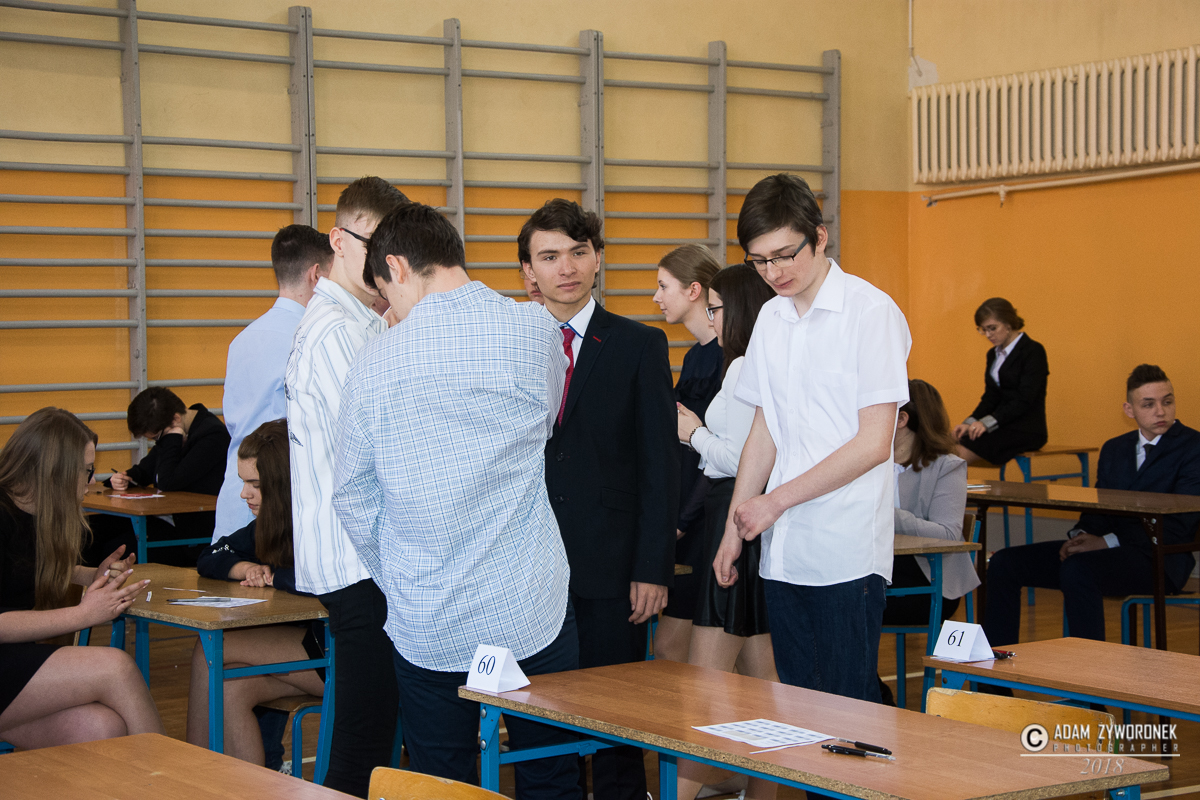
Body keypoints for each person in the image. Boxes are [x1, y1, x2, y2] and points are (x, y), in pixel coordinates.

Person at [333, 201, 580, 796]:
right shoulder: (535, 329)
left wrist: (400, 572)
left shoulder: (373, 362)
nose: (389, 311)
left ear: (396, 266)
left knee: (443, 782)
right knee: (551, 774)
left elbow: (353, 496)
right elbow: (548, 421)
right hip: (529, 599)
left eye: (386, 295)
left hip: (429, 614)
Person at [713, 173, 911, 704]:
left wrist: (774, 502)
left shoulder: (871, 312)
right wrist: (734, 528)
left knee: (847, 712)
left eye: (784, 256)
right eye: (759, 261)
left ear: (819, 237)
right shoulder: (771, 317)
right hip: (783, 549)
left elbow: (874, 442)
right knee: (798, 708)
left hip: (846, 548)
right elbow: (765, 430)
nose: (773, 272)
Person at [520, 198, 678, 800]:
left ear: (598, 259)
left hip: (612, 564)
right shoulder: (511, 342)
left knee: (616, 715)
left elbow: (659, 464)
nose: (566, 268)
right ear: (528, 271)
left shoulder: (639, 344)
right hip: (527, 561)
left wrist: (652, 567)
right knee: (539, 712)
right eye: (549, 256)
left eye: (578, 252)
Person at [284, 176, 407, 798]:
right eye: (371, 245)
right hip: (360, 560)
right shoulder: (337, 329)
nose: (385, 263)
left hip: (369, 558)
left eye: (393, 250)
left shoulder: (363, 322)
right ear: (337, 240)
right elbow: (373, 452)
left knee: (374, 736)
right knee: (363, 747)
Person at [985, 364, 1200, 645]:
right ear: (1129, 410)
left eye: (1167, 402)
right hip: (1107, 550)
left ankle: (1087, 668)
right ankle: (995, 666)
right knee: (1004, 563)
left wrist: (1105, 542)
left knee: (1079, 569)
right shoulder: (1115, 448)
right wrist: (1081, 535)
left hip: (1159, 559)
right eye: (1148, 404)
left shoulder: (1193, 447)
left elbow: (1180, 523)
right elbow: (1099, 509)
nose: (1160, 412)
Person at [0, 407, 162, 749]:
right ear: (55, 470)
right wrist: (84, 614)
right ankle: (173, 777)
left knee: (100, 727)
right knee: (116, 668)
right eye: (87, 470)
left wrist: (91, 575)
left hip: (12, 660)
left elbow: (20, 568)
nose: (90, 482)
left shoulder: (29, 511)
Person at [674, 263, 777, 800]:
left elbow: (742, 460)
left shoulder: (741, 368)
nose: (709, 317)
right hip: (747, 524)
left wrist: (693, 434)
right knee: (766, 687)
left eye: (714, 307)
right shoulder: (761, 363)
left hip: (730, 519)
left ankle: (679, 793)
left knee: (704, 684)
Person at [187, 419, 324, 765]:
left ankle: (191, 768)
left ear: (284, 483)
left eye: (255, 485)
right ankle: (246, 785)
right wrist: (244, 568)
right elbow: (211, 555)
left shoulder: (322, 523)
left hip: (344, 653)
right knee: (231, 689)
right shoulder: (268, 524)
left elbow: (321, 578)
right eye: (243, 482)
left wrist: (275, 577)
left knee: (209, 648)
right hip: (312, 652)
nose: (244, 494)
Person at [213, 224, 333, 543]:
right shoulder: (312, 339)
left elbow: (234, 422)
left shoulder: (243, 339)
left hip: (237, 495)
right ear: (317, 275)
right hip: (278, 504)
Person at [878, 379, 977, 706]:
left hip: (929, 580)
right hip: (881, 572)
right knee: (828, 597)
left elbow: (948, 535)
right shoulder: (871, 461)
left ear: (902, 419)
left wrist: (887, 514)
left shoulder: (948, 466)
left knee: (846, 601)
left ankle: (871, 697)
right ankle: (871, 694)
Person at [652, 243, 722, 664]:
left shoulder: (728, 356)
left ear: (694, 290)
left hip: (708, 518)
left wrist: (682, 519)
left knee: (676, 649)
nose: (656, 297)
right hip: (690, 515)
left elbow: (719, 454)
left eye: (664, 286)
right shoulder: (695, 355)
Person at [95, 386, 230, 565]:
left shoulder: (212, 436)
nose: (158, 443)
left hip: (194, 535)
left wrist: (172, 438)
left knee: (115, 550)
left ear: (176, 418)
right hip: (168, 522)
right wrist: (124, 478)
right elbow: (145, 470)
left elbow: (168, 481)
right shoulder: (178, 429)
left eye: (157, 438)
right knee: (96, 534)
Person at [953, 297, 1049, 466]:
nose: (988, 335)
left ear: (1008, 323)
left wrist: (987, 422)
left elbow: (1025, 399)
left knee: (958, 453)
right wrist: (970, 422)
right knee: (951, 440)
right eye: (983, 330)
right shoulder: (993, 355)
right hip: (1000, 424)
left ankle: (951, 482)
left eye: (992, 328)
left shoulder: (1033, 351)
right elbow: (991, 397)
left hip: (1026, 428)